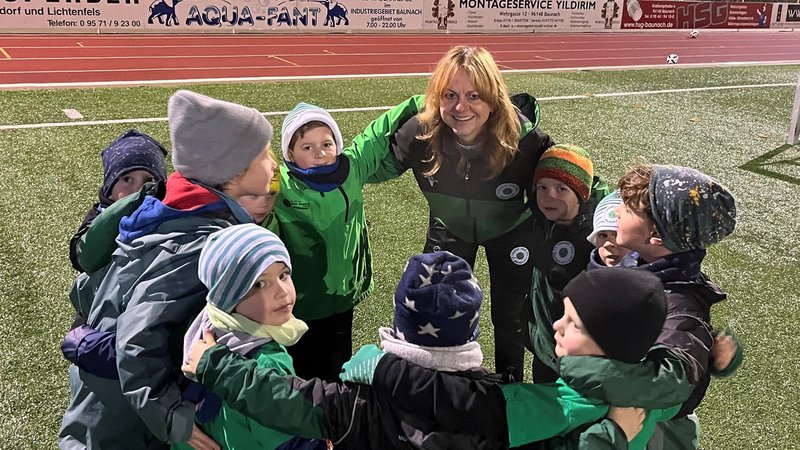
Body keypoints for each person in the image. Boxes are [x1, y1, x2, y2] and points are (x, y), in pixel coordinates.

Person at [184, 251, 656, 449]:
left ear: (399, 324)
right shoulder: (502, 403)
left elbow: (281, 399)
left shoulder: (357, 396)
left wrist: (214, 363)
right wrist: (613, 433)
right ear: (470, 331)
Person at [59, 89, 276, 450]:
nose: (272, 165)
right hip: (126, 427)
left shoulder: (164, 212)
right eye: (264, 154)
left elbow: (85, 288)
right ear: (234, 169)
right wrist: (171, 415)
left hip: (100, 410)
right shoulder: (198, 240)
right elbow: (136, 339)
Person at [368, 45, 556, 381]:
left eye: (474, 96)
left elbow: (575, 180)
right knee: (434, 308)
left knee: (510, 318)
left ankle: (508, 390)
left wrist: (612, 217)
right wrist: (326, 170)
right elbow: (364, 166)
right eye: (450, 95)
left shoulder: (525, 140)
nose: (460, 107)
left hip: (512, 232)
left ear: (493, 98)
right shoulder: (421, 132)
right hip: (450, 227)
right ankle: (438, 387)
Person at [338, 267, 679, 449]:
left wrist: (382, 367)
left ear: (609, 341)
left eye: (573, 323)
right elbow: (688, 385)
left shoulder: (561, 404)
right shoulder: (655, 386)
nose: (557, 325)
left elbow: (465, 403)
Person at [556, 163, 738, 449]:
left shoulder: (676, 299)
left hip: (659, 431)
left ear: (655, 236)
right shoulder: (648, 270)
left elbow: (674, 379)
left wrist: (584, 368)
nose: (616, 211)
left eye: (628, 209)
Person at [273, 102, 415, 380]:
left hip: (343, 295)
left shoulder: (350, 168)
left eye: (327, 144)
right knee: (302, 369)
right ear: (289, 152)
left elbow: (376, 134)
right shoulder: (280, 183)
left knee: (339, 364)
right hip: (299, 302)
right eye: (307, 147)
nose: (320, 153)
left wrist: (424, 101)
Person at [172, 223, 327, 450]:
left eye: (284, 275)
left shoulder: (202, 328)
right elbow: (294, 444)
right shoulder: (265, 365)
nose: (282, 292)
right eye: (259, 284)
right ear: (227, 296)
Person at [525, 144, 610, 383]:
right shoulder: (543, 222)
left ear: (581, 193)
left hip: (576, 357)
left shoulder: (596, 239)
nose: (549, 196)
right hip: (544, 347)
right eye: (542, 187)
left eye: (561, 188)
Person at [68, 129, 168, 273]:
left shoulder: (166, 211)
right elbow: (84, 258)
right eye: (127, 179)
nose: (139, 189)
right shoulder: (98, 218)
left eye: (149, 181)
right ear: (109, 191)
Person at [585, 190, 638, 269]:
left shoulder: (654, 275)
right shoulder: (588, 278)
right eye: (603, 235)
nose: (608, 244)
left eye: (618, 234)